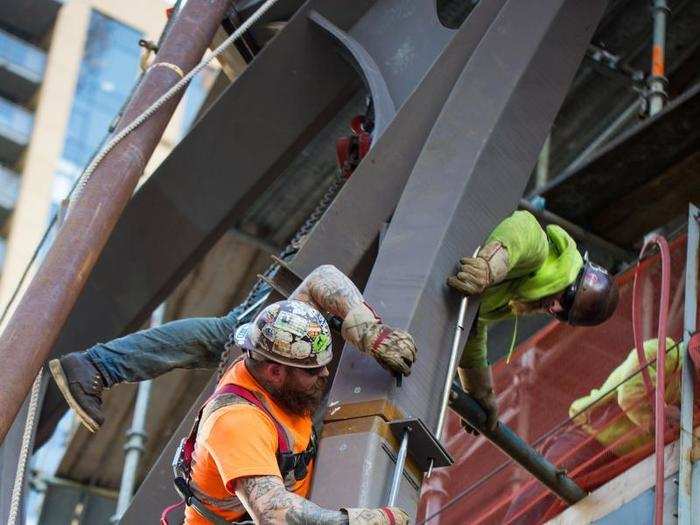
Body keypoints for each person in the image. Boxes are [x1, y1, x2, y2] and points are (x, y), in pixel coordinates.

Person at [49, 265, 417, 433]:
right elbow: (325, 278)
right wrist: (372, 334)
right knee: (223, 335)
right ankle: (98, 365)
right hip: (293, 300)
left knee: (224, 336)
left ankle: (98, 365)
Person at [163, 298, 410, 524]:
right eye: (312, 371)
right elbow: (275, 515)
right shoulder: (236, 422)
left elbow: (322, 277)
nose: (324, 374)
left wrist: (370, 331)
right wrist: (359, 521)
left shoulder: (277, 338)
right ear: (275, 372)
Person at [447, 211, 619, 433]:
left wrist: (480, 392)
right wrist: (487, 268)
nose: (554, 308)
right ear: (571, 279)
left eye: (562, 314)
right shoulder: (539, 252)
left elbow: (472, 326)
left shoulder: (518, 296)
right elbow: (521, 231)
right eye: (566, 299)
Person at [503, 337, 686, 524]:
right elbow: (631, 392)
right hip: (587, 439)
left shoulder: (690, 396)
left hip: (620, 462)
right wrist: (665, 420)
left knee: (581, 516)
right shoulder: (666, 350)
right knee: (537, 503)